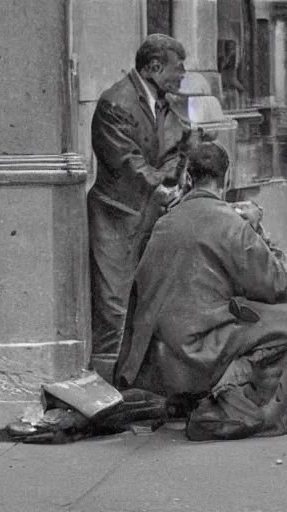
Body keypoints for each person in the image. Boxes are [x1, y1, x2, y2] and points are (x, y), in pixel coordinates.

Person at [113, 142, 287, 441]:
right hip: (199, 356)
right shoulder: (233, 225)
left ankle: (189, 402)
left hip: (157, 360)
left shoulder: (164, 222)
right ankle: (232, 408)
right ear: (226, 179)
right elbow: (277, 287)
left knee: (226, 314)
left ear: (188, 177)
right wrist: (260, 231)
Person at [87, 34, 192, 373]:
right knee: (114, 305)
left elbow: (179, 146)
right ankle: (104, 389)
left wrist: (171, 182)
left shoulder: (170, 103)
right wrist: (159, 186)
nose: (183, 75)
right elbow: (125, 161)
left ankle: (137, 384)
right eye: (178, 69)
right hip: (117, 217)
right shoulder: (115, 102)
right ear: (154, 67)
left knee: (151, 300)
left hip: (154, 211)